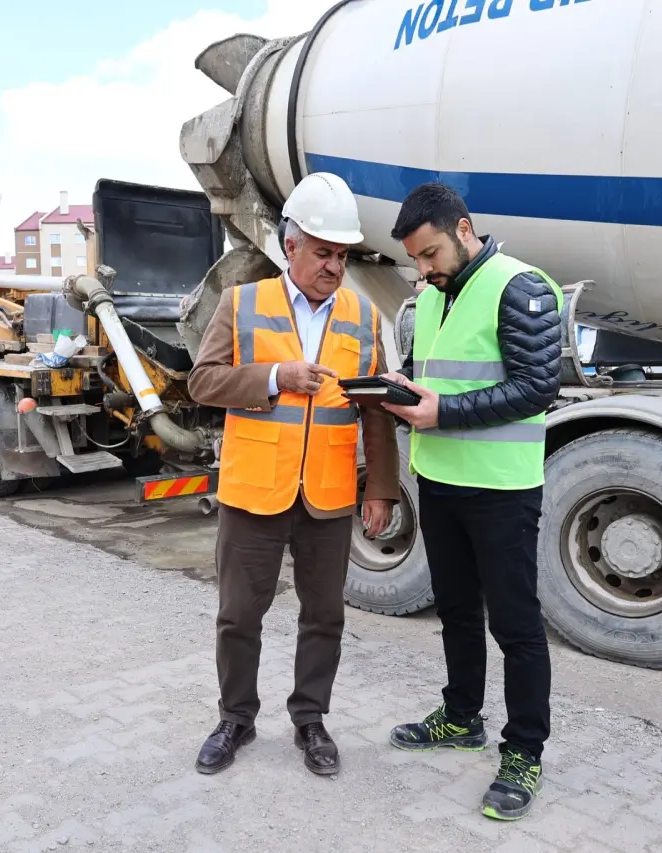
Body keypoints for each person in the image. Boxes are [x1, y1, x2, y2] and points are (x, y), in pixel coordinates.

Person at [187, 172, 400, 777]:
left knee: (324, 616)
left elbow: (375, 409)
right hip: (254, 490)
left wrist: (381, 489)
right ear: (291, 245)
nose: (334, 266)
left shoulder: (362, 316)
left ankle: (311, 718)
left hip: (328, 495)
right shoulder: (242, 303)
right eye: (323, 252)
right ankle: (236, 717)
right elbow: (202, 382)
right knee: (238, 616)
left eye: (342, 255)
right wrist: (275, 378)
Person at [379, 181, 563, 822]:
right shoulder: (431, 298)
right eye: (414, 260)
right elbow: (430, 377)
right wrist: (397, 390)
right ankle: (461, 718)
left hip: (501, 489)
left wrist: (444, 412)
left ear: (464, 229)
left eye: (429, 254)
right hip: (440, 481)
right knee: (456, 611)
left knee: (516, 626)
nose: (423, 270)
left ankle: (524, 753)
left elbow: (538, 386)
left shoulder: (521, 286)